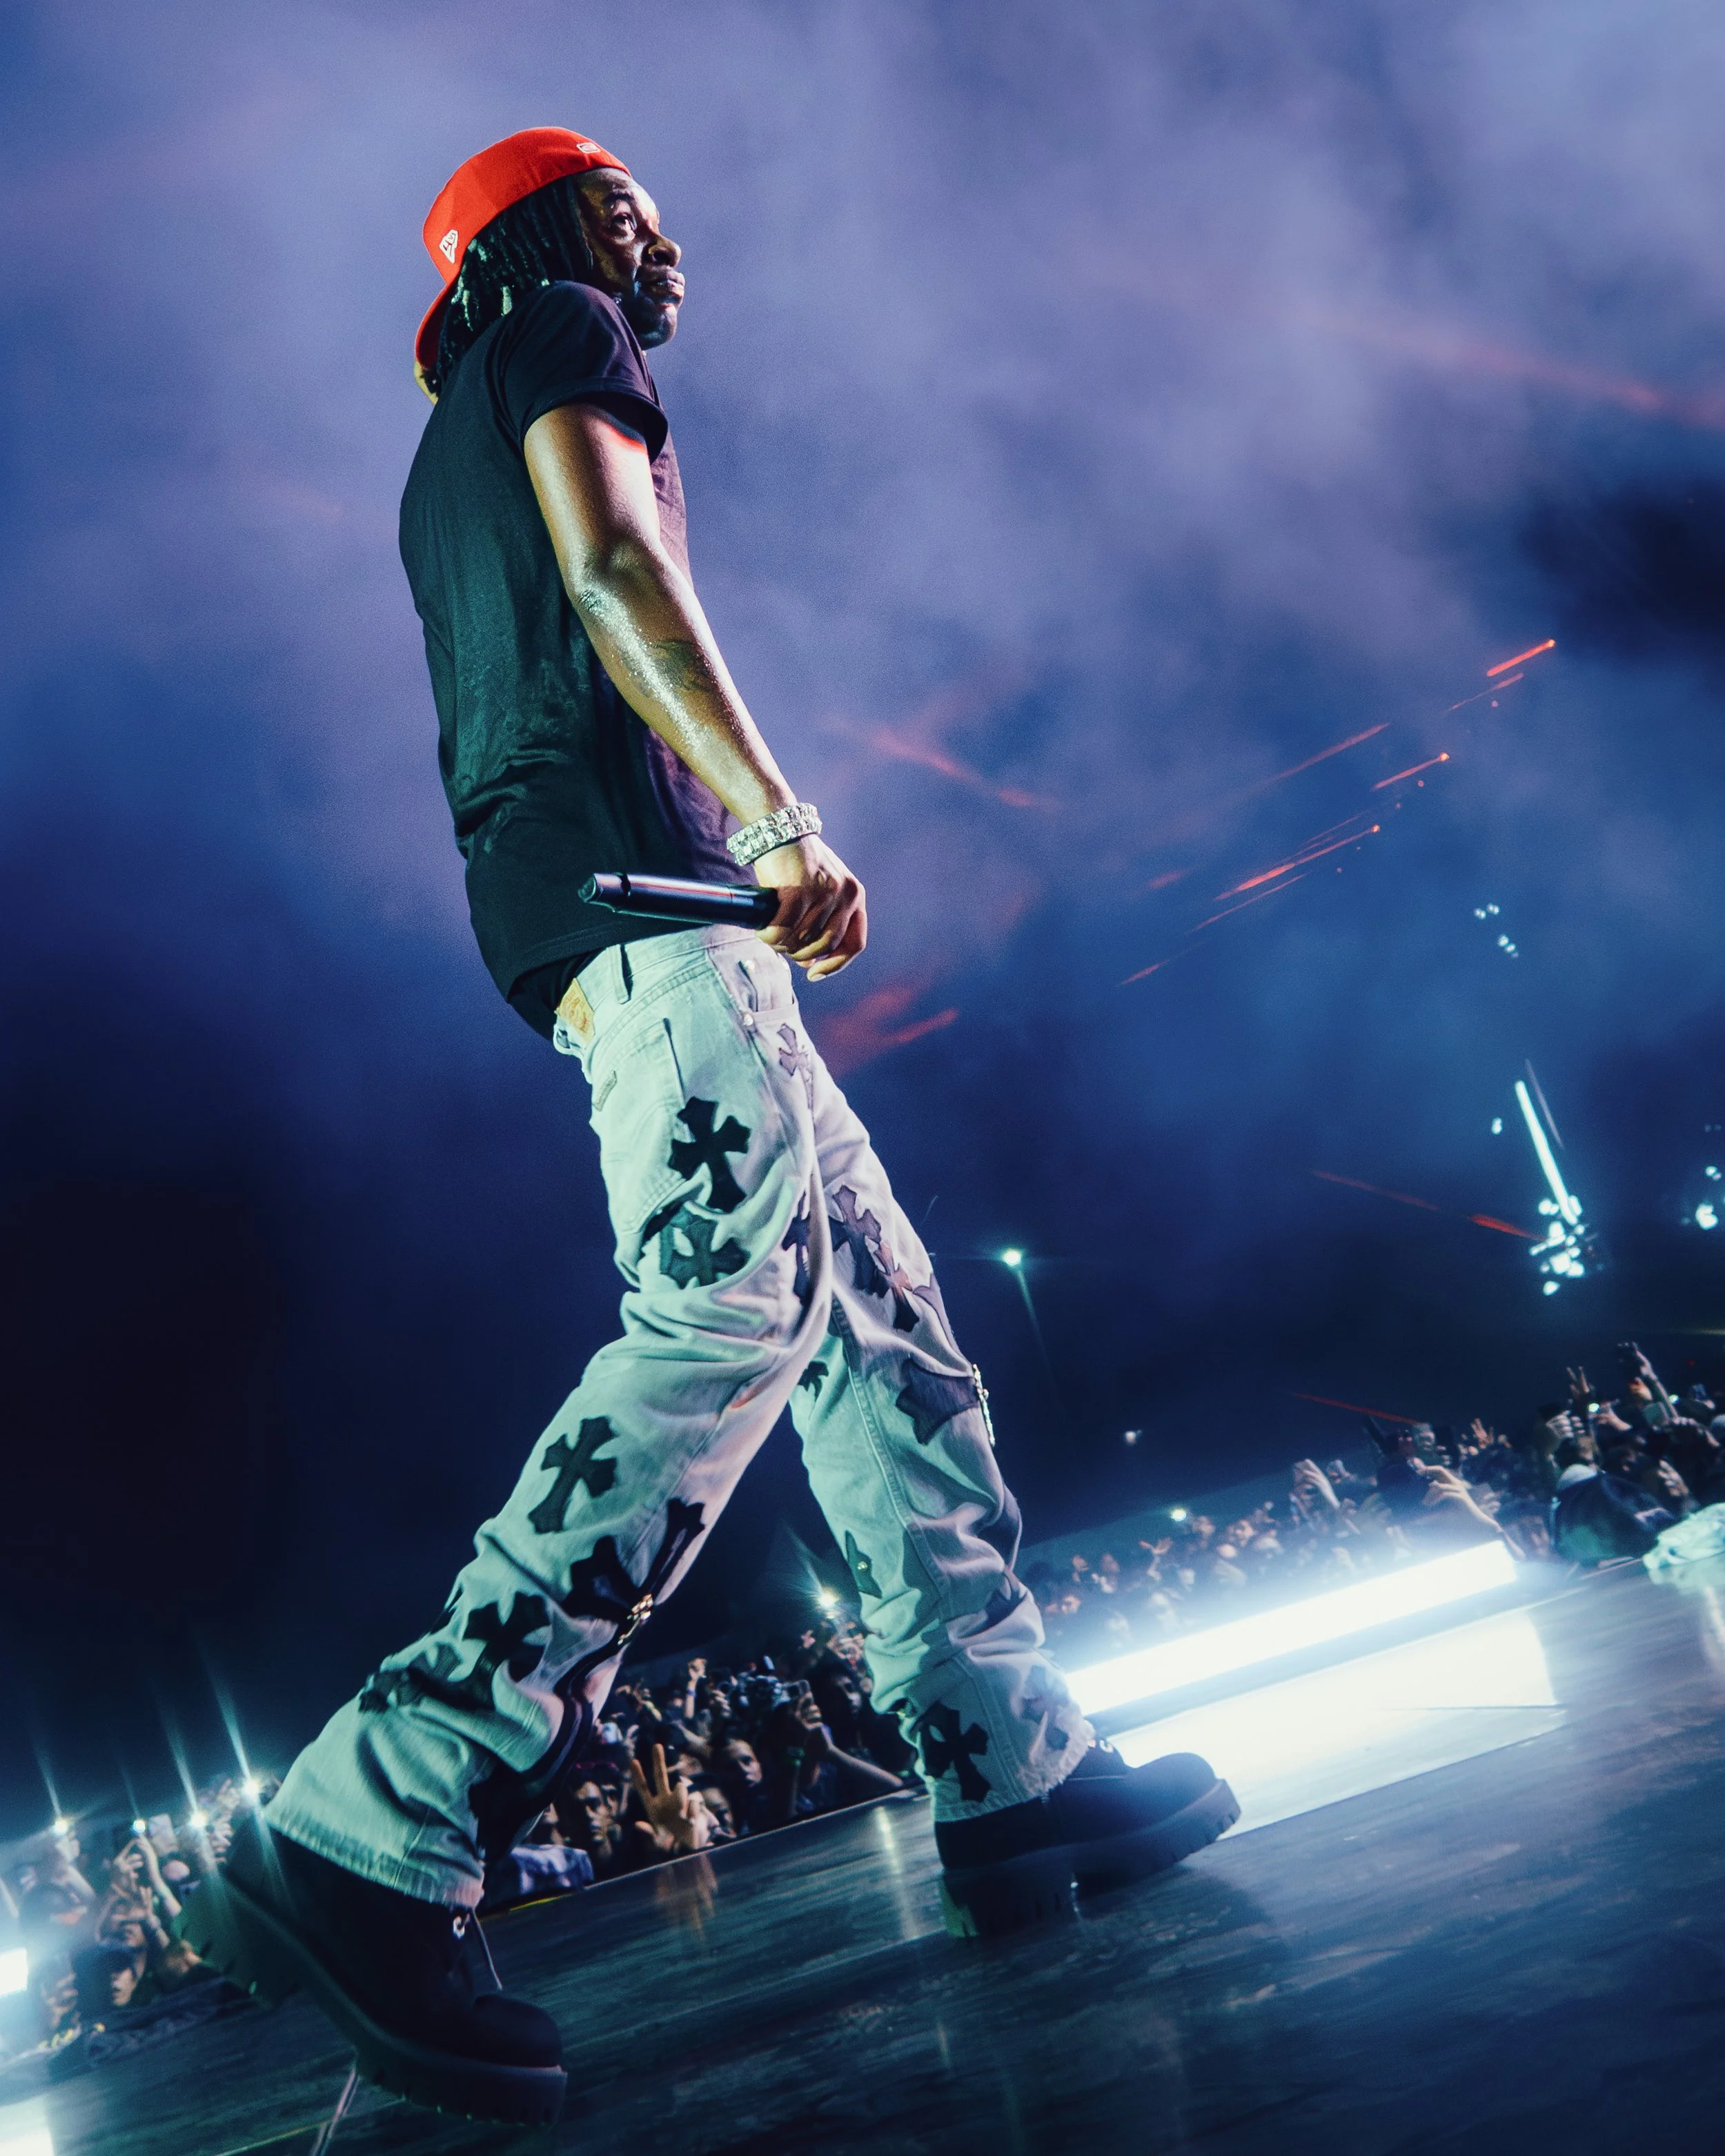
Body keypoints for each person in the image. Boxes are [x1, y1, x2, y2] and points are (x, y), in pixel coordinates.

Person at [186, 126, 1235, 2125]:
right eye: (618, 204)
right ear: (527, 244)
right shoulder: (555, 330)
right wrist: (778, 814)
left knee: (886, 1326)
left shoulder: (450, 427)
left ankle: (1006, 1768)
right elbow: (610, 563)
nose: (658, 238)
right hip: (657, 904)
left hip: (618, 911)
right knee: (727, 1311)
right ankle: (371, 1812)